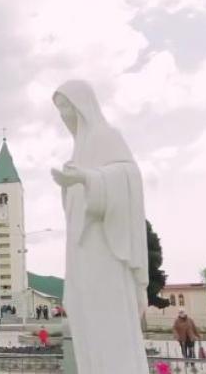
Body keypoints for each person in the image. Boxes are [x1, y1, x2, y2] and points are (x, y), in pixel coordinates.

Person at [52, 80, 149, 373]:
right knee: (86, 317)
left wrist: (86, 178)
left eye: (66, 106)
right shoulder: (78, 149)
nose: (63, 115)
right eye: (59, 109)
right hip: (82, 249)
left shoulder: (106, 136)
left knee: (109, 317)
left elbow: (129, 175)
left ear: (83, 105)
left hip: (105, 246)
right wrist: (70, 184)